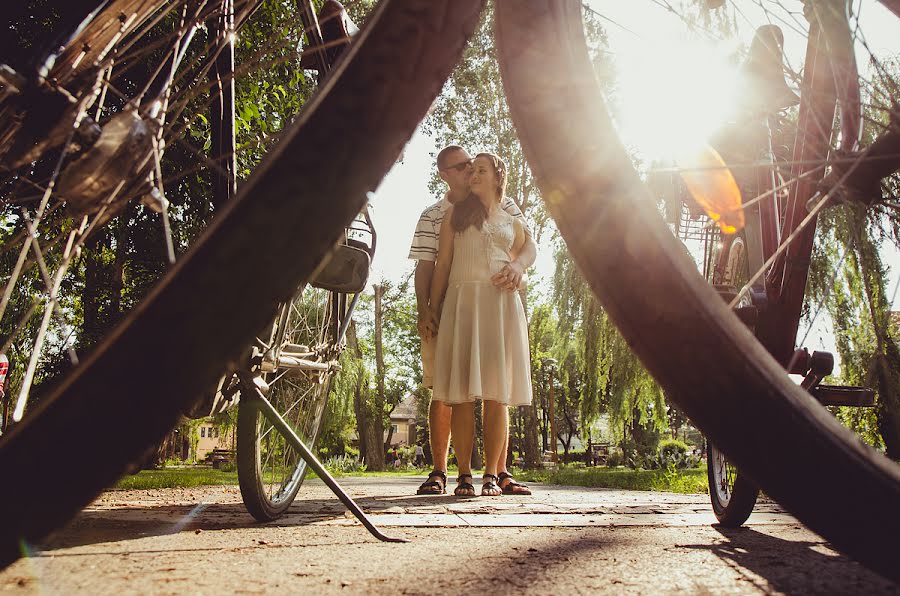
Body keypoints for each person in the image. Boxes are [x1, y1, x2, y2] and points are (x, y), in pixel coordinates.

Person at [409, 145, 536, 496]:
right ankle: (442, 470)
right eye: (463, 166)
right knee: (447, 389)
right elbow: (431, 266)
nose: (470, 171)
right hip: (456, 305)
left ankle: (498, 472)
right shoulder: (439, 214)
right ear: (445, 174)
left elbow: (527, 245)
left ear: (496, 177)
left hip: (497, 307)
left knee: (498, 389)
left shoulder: (507, 208)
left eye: (476, 166)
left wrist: (518, 267)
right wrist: (427, 309)